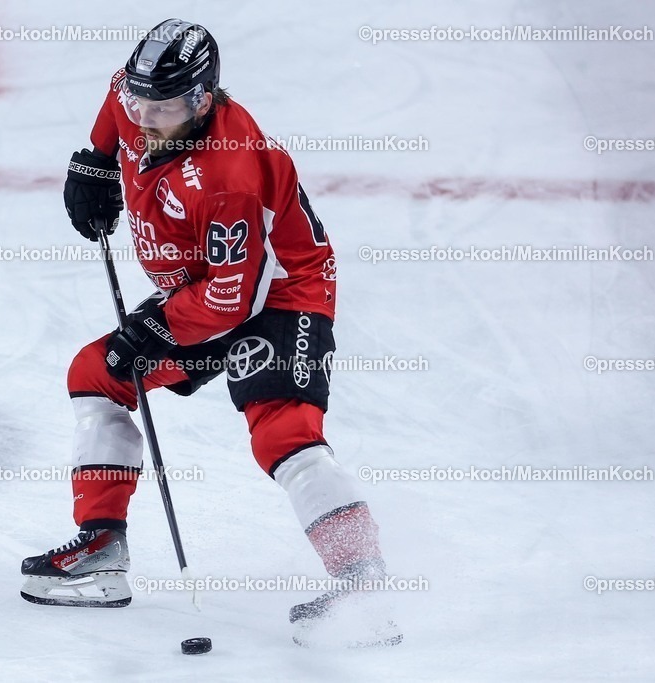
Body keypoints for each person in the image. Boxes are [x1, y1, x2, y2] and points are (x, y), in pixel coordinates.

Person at [20, 18, 399, 645]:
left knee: (282, 428)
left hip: (279, 295)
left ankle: (363, 584)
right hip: (200, 289)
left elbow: (230, 301)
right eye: (139, 101)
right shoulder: (141, 96)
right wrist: (92, 162)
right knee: (97, 372)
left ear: (202, 101)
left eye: (161, 108)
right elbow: (116, 107)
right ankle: (101, 549)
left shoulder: (231, 176)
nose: (144, 118)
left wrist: (156, 330)